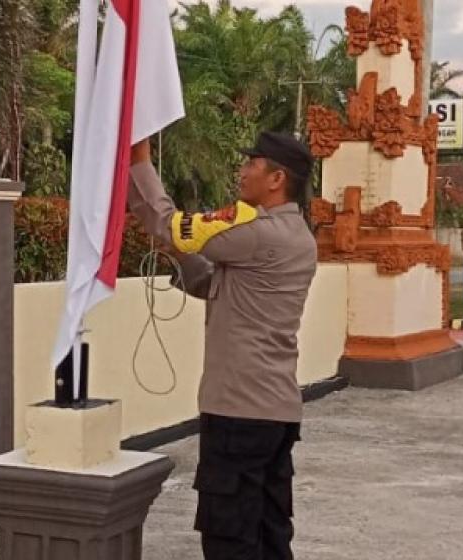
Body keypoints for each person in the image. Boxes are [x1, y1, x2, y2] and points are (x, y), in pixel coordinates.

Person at [127, 131, 318, 560]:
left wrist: (138, 161)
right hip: (272, 412)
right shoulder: (296, 235)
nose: (242, 171)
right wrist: (177, 253)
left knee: (230, 537)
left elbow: (169, 223)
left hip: (240, 412)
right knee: (269, 533)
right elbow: (212, 284)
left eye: (252, 163)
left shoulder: (258, 233)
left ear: (276, 178)